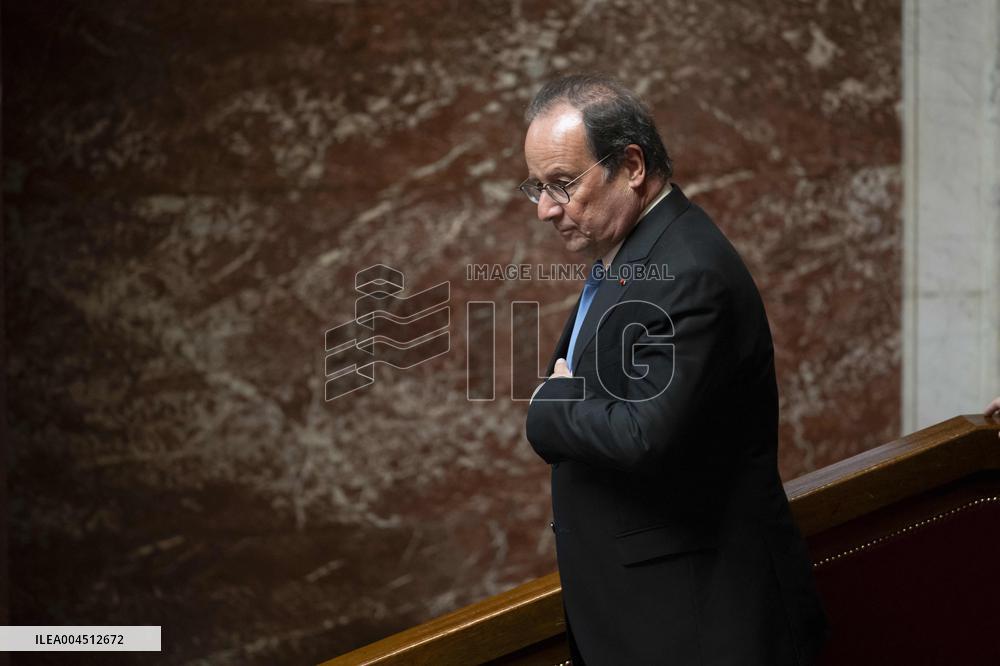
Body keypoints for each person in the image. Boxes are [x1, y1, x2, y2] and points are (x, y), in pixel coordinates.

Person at [521, 74, 829, 664]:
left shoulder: (686, 269)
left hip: (699, 624)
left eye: (561, 184)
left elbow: (644, 433)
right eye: (535, 187)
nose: (544, 210)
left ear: (631, 165)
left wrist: (550, 405)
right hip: (650, 616)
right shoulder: (636, 253)